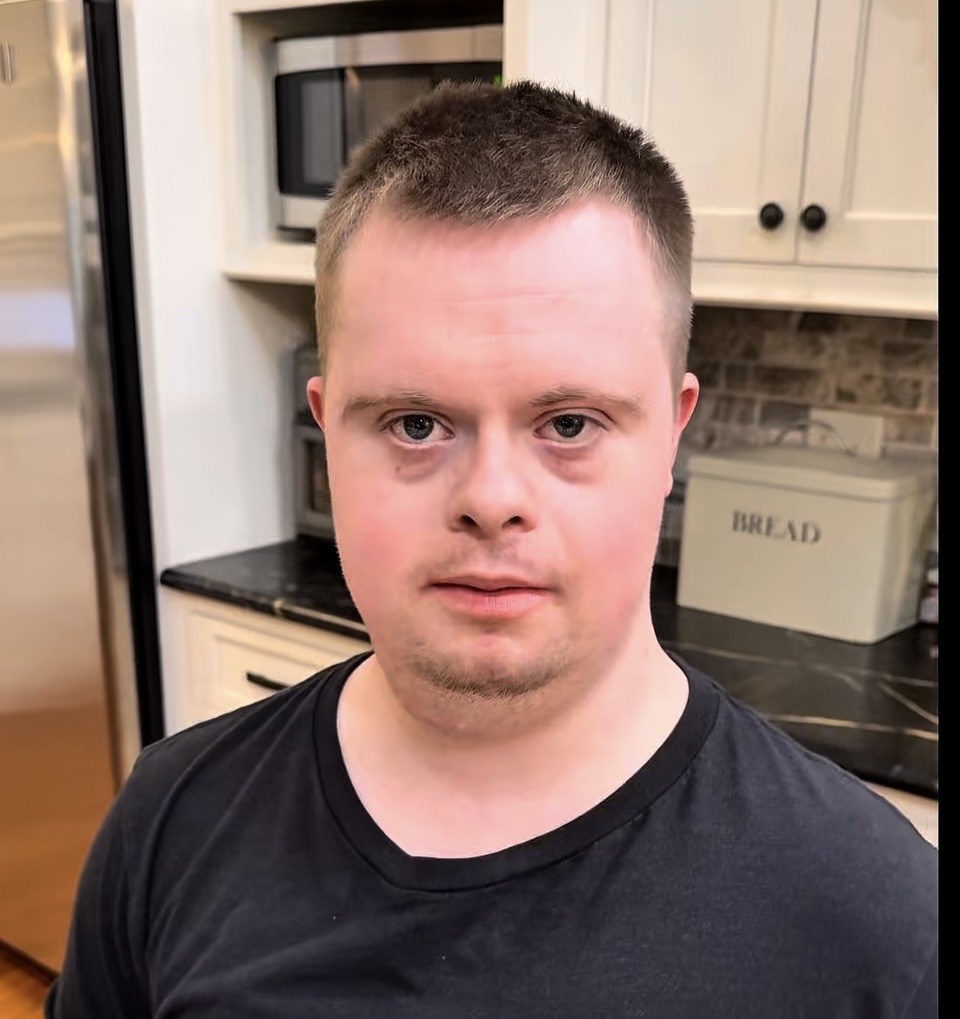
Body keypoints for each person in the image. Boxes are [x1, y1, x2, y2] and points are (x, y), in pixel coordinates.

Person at [47, 80, 937, 1017]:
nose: (491, 500)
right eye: (416, 422)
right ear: (326, 432)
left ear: (674, 434)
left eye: (569, 421)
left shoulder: (878, 923)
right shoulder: (173, 818)